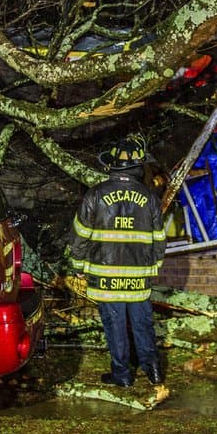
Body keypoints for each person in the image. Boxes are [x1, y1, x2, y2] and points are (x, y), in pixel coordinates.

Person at [68, 136, 167, 387]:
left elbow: (80, 235)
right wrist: (153, 267)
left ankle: (122, 375)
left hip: (106, 277)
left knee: (115, 326)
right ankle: (153, 371)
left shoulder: (95, 195)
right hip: (138, 278)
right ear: (138, 167)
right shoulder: (150, 198)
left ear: (112, 165)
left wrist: (78, 266)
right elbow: (159, 239)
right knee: (142, 323)